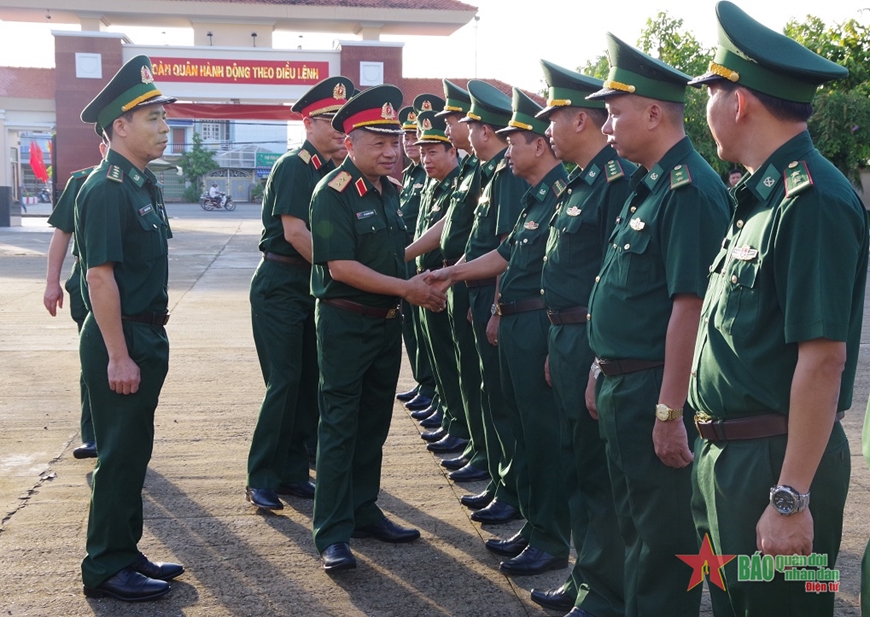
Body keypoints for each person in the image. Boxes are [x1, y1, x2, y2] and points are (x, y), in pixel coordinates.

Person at [686, 3, 868, 615]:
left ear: (738, 102)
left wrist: (790, 497)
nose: (705, 107)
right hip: (727, 460)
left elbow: (823, 362)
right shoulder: (760, 194)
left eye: (711, 90)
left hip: (776, 464)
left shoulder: (811, 201)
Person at [583, 34, 731, 616]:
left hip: (654, 388)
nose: (607, 127)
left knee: (665, 539)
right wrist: (600, 364)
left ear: (652, 112)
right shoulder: (646, 185)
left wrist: (671, 412)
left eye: (614, 114)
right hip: (625, 382)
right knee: (634, 529)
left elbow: (688, 309)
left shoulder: (690, 190)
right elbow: (627, 294)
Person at [428, 88, 571, 576]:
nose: (507, 147)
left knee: (541, 437)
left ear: (540, 146)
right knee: (524, 432)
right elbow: (507, 254)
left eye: (516, 139)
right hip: (514, 319)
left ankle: (550, 538)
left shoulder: (562, 193)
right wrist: (451, 274)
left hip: (537, 323)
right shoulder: (537, 196)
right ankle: (533, 527)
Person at [309, 85, 446, 572]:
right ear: (350, 144)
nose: (391, 152)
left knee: (373, 425)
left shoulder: (391, 191)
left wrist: (417, 279)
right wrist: (407, 289)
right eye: (378, 142)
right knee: (340, 426)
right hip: (347, 322)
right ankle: (331, 531)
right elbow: (341, 266)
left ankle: (364, 510)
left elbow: (391, 255)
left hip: (386, 323)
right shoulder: (333, 193)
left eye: (394, 142)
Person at [75, 55, 184, 602]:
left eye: (164, 118)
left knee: (135, 449)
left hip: (146, 333)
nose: (165, 129)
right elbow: (98, 278)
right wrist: (118, 355)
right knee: (118, 454)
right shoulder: (106, 189)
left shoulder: (142, 183)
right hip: (121, 339)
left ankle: (126, 548)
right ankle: (105, 566)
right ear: (120, 125)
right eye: (154, 119)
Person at [528, 59, 633, 617]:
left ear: (584, 122)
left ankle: (605, 593)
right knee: (574, 465)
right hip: (564, 337)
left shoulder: (617, 182)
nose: (547, 127)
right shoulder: (580, 182)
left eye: (555, 115)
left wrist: (594, 356)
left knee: (598, 474)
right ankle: (585, 575)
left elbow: (613, 279)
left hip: (594, 343)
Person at [246, 75, 355, 511]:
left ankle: (292, 473)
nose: (339, 129)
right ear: (309, 122)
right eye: (331, 120)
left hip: (309, 287)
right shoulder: (295, 165)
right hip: (281, 286)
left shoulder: (330, 171)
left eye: (342, 121)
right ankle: (262, 476)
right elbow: (295, 233)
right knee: (284, 382)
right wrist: (340, 272)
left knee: (309, 382)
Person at [43, 132, 107, 460]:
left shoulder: (143, 183)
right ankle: (93, 435)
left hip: (129, 285)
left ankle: (118, 435)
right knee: (93, 360)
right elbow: (61, 236)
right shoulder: (82, 182)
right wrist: (52, 283)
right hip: (87, 282)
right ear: (103, 147)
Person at [395, 105, 437, 414]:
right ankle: (424, 383)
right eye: (407, 138)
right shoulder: (410, 175)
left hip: (432, 262)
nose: (410, 144)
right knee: (412, 327)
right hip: (410, 258)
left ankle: (432, 388)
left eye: (416, 137)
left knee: (435, 339)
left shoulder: (433, 174)